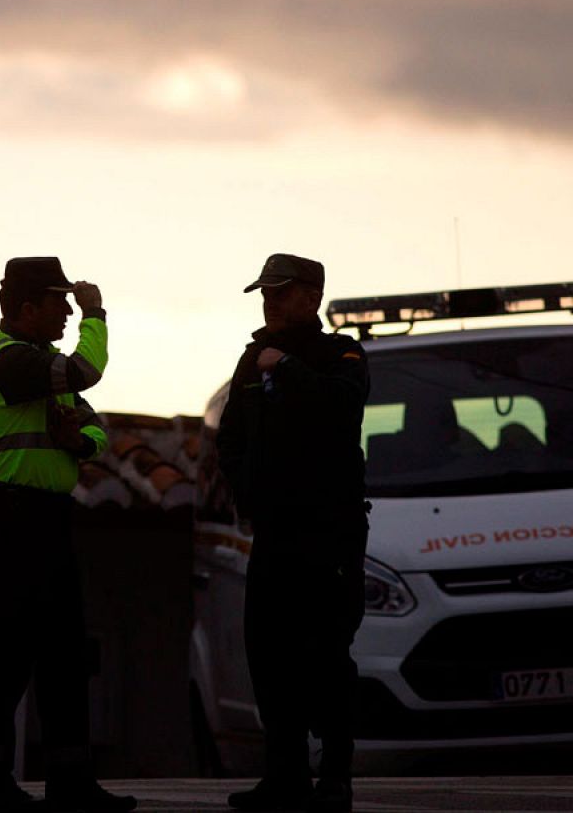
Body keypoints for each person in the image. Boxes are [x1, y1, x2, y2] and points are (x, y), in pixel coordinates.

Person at [0, 257, 135, 813]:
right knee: (10, 651)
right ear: (26, 308)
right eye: (58, 303)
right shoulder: (10, 360)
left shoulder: (40, 364)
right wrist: (96, 314)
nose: (65, 311)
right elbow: (86, 374)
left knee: (64, 654)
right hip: (13, 516)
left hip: (45, 518)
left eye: (70, 302)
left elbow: (96, 429)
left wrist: (77, 441)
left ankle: (71, 783)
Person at [214, 254, 370, 813]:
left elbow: (343, 406)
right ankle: (283, 777)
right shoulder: (251, 359)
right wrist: (247, 488)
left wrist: (286, 369)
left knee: (326, 654)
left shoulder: (341, 354)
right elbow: (229, 439)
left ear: (312, 297)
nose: (271, 301)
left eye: (281, 292)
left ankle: (334, 778)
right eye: (266, 293)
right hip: (275, 533)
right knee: (270, 654)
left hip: (329, 532)